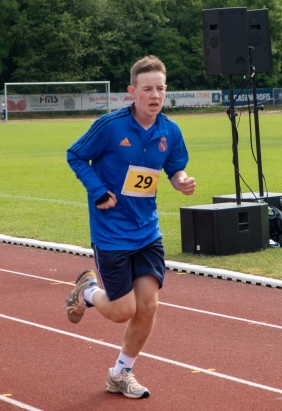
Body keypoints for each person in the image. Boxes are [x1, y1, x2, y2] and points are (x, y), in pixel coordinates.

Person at [65, 55, 196, 399]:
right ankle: (87, 291)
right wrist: (97, 191)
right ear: (132, 92)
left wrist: (181, 180)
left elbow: (174, 167)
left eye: (160, 89)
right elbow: (75, 155)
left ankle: (120, 373)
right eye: (147, 89)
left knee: (148, 307)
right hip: (111, 232)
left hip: (147, 231)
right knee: (123, 311)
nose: (155, 95)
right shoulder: (110, 126)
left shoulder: (170, 130)